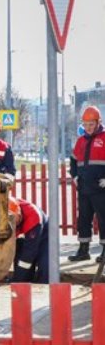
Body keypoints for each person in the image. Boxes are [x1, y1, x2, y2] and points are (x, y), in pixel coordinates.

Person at [68, 105, 105, 262]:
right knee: (83, 219)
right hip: (83, 187)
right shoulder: (80, 141)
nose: (88, 128)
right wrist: (75, 175)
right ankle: (83, 250)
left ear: (98, 122)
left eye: (91, 124)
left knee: (104, 218)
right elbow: (74, 160)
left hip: (101, 188)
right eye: (85, 124)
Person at [10, 197, 49, 283]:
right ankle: (24, 280)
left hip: (45, 236)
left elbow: (29, 252)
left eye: (13, 219)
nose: (12, 223)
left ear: (19, 214)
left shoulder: (33, 217)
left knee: (45, 269)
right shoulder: (10, 205)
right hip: (27, 236)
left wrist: (17, 279)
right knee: (20, 250)